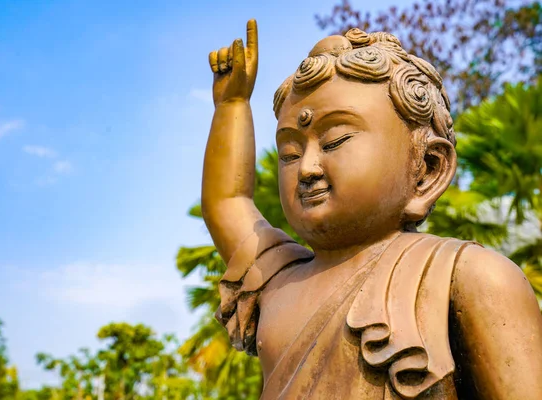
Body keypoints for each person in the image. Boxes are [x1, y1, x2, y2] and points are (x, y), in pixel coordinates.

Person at [201, 19, 542, 399]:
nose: (307, 168)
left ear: (428, 169)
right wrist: (232, 106)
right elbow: (229, 203)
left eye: (335, 141)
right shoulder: (279, 279)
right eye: (290, 153)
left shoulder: (468, 277)